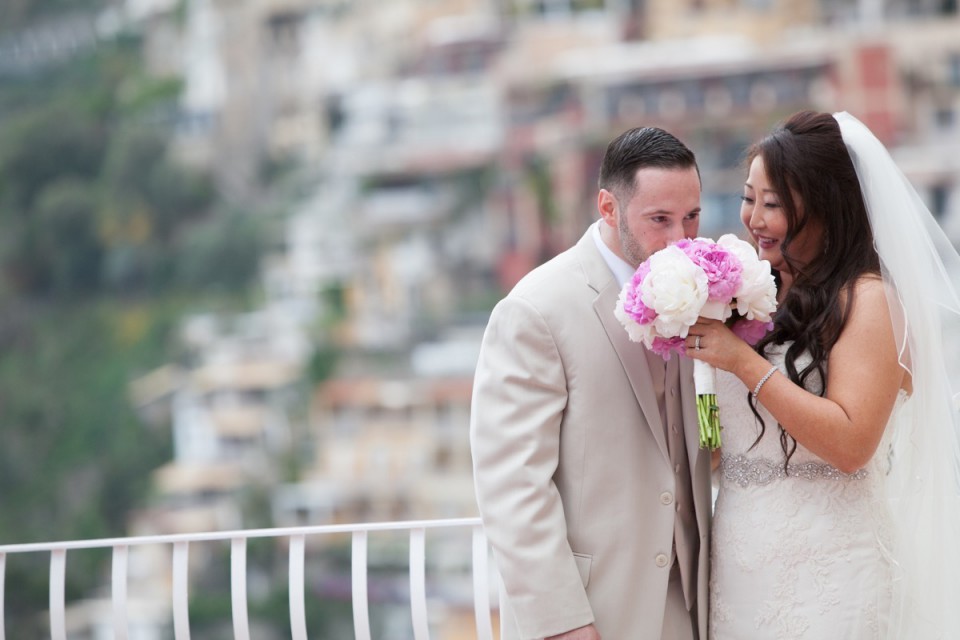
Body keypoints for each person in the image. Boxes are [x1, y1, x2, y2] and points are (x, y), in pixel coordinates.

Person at [686, 110, 960, 638]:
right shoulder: (745, 299)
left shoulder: (869, 300)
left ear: (826, 207)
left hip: (833, 571)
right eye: (749, 198)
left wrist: (742, 363)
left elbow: (852, 442)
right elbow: (718, 445)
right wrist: (702, 393)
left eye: (774, 205)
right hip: (739, 568)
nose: (754, 219)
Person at [470, 126, 713, 640]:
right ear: (608, 207)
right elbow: (513, 487)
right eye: (659, 220)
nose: (681, 240)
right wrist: (564, 625)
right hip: (594, 610)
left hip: (690, 605)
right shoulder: (535, 309)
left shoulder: (705, 294)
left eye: (691, 216)